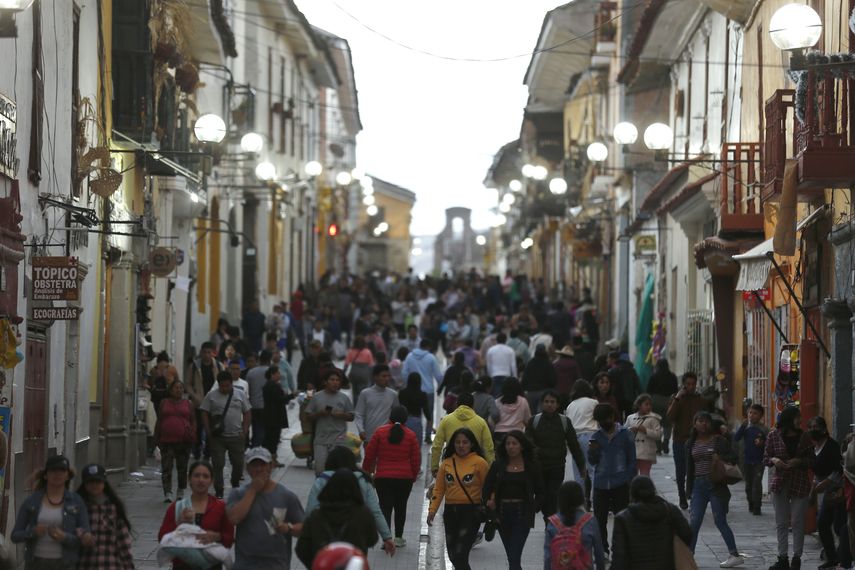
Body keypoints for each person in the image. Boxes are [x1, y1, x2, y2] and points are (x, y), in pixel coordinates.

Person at [305, 446, 395, 555]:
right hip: (357, 542)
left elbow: (310, 510)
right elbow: (375, 511)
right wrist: (387, 537)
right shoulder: (363, 480)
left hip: (326, 542)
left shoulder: (322, 480)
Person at [226, 447, 305, 569]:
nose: (259, 469)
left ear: (271, 466)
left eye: (262, 465)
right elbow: (234, 519)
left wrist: (288, 528)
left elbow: (304, 528)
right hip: (245, 564)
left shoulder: (286, 496)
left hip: (276, 564)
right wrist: (253, 490)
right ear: (247, 468)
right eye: (254, 465)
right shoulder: (238, 494)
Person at [11, 455, 90, 570]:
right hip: (35, 563)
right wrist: (33, 531)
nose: (58, 474)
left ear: (67, 475)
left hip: (65, 563)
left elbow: (85, 538)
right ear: (46, 475)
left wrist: (64, 537)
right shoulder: (32, 501)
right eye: (53, 470)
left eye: (62, 470)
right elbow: (15, 536)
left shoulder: (76, 501)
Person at [427, 428, 490, 570]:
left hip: (470, 514)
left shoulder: (480, 463)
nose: (461, 445)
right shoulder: (447, 463)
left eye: (465, 442)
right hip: (450, 513)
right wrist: (432, 510)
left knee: (461, 554)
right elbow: (439, 488)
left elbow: (489, 487)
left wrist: (491, 505)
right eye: (457, 442)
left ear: (472, 444)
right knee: (452, 555)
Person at [686, 411, 743, 568]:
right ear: (694, 423)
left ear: (710, 424)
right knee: (694, 521)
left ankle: (734, 554)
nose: (703, 424)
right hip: (698, 486)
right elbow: (689, 468)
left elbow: (734, 457)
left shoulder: (718, 441)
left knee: (720, 520)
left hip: (716, 486)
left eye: (706, 421)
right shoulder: (691, 443)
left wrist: (720, 458)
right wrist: (688, 490)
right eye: (700, 421)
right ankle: (689, 555)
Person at [482, 430, 543, 570]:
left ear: (522, 446)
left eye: (514, 443)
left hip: (522, 515)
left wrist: (534, 507)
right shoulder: (498, 465)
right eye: (508, 444)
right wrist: (489, 505)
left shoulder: (531, 466)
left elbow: (540, 491)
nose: (510, 447)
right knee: (511, 557)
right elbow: (486, 487)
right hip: (502, 515)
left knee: (514, 557)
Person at [158, 460, 234, 570]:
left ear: (211, 480)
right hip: (182, 565)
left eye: (205, 476)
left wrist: (217, 536)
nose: (201, 480)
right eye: (196, 476)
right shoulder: (177, 507)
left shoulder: (221, 508)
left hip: (211, 565)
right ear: (189, 479)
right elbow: (162, 538)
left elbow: (229, 538)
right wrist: (179, 526)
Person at [362, 406, 421, 548]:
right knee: (401, 507)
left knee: (385, 507)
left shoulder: (380, 432)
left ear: (390, 417)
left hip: (383, 477)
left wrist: (366, 473)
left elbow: (370, 455)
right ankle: (399, 538)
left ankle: (386, 539)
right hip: (404, 478)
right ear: (406, 419)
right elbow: (416, 460)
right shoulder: (411, 435)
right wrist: (413, 476)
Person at [296, 469, 379, 567]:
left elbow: (302, 548)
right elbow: (372, 539)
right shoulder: (363, 513)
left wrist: (317, 564)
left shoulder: (316, 516)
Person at [764, 406, 813, 570]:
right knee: (781, 522)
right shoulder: (773, 435)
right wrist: (774, 460)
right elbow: (766, 457)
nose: (800, 420)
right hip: (780, 481)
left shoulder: (804, 436)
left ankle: (797, 558)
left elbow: (811, 460)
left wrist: (799, 462)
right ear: (788, 419)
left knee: (798, 520)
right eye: (797, 417)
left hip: (800, 481)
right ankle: (782, 557)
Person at [610, 475, 692, 570]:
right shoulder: (670, 511)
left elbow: (619, 558)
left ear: (632, 494)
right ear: (653, 491)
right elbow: (687, 535)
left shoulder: (623, 518)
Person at [526, 390, 585, 520]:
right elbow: (527, 445)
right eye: (546, 402)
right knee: (542, 496)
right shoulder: (534, 421)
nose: (549, 405)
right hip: (539, 467)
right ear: (541, 404)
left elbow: (574, 445)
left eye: (552, 402)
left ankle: (549, 522)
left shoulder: (565, 422)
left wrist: (581, 466)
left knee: (553, 496)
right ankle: (548, 517)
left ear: (558, 404)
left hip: (557, 466)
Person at [587, 403, 636, 557]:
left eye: (606, 419)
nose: (604, 423)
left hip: (620, 483)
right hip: (601, 484)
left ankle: (619, 548)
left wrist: (628, 478)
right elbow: (592, 461)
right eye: (600, 421)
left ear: (612, 417)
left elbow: (632, 459)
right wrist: (593, 451)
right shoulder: (595, 437)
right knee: (599, 520)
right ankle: (603, 549)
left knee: (622, 519)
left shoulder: (625, 434)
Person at [200, 370, 252, 499]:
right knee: (218, 464)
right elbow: (204, 412)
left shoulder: (240, 395)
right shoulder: (211, 396)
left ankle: (235, 482)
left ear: (231, 384)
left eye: (227, 386)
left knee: (239, 463)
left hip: (236, 436)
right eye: (222, 386)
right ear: (218, 384)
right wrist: (207, 430)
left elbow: (247, 412)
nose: (224, 388)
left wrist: (244, 431)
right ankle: (219, 490)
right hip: (218, 437)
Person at [75, 464, 134, 570]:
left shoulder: (113, 508)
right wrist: (81, 535)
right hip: (85, 563)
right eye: (90, 482)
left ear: (104, 483)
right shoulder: (78, 507)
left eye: (98, 482)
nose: (94, 485)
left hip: (110, 564)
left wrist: (128, 565)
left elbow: (123, 540)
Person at [666, 372, 710, 509]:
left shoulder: (700, 400)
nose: (691, 387)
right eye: (688, 384)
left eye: (693, 384)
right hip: (680, 440)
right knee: (680, 472)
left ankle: (691, 494)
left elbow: (706, 418)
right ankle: (681, 496)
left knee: (694, 470)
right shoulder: (677, 398)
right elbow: (669, 417)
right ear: (683, 385)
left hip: (696, 440)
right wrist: (677, 399)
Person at [543, 480, 605, 570]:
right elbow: (599, 554)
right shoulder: (589, 521)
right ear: (581, 498)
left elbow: (548, 558)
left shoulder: (553, 523)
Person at [808, 416, 844, 569]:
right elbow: (816, 474)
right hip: (826, 493)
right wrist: (813, 492)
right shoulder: (814, 449)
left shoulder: (832, 446)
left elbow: (838, 471)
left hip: (839, 490)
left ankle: (845, 556)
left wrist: (823, 485)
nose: (812, 430)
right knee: (822, 524)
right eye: (811, 427)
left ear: (823, 429)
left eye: (816, 427)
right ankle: (832, 558)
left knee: (839, 525)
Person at [431, 392, 495, 475]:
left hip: (451, 465)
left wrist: (435, 467)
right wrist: (491, 469)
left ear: (456, 404)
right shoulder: (481, 422)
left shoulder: (446, 420)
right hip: (474, 466)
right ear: (473, 406)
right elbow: (488, 448)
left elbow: (437, 446)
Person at [304, 370, 355, 475]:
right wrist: (320, 414)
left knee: (337, 471)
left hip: (339, 439)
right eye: (332, 380)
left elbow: (352, 417)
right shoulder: (316, 397)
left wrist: (341, 415)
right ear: (325, 382)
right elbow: (307, 417)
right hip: (321, 439)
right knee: (320, 470)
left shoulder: (344, 398)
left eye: (337, 380)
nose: (335, 382)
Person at [155, 379, 196, 502]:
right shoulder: (164, 403)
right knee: (166, 466)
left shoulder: (188, 404)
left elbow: (193, 421)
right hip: (166, 441)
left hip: (183, 441)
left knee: (182, 467)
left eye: (181, 388)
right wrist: (156, 437)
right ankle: (167, 491)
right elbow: (159, 420)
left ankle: (181, 490)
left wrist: (193, 433)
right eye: (176, 388)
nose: (178, 390)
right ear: (171, 390)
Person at [186, 342, 225, 459]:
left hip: (214, 403)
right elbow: (188, 384)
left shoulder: (218, 366)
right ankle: (197, 451)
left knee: (212, 428)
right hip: (199, 403)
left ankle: (208, 453)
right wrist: (194, 396)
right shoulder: (194, 366)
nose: (207, 355)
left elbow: (223, 382)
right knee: (198, 428)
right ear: (201, 353)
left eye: (209, 352)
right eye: (204, 352)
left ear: (212, 353)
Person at [401, 339, 443, 443]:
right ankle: (428, 436)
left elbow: (404, 372)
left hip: (411, 390)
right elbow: (438, 375)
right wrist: (439, 387)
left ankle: (411, 433)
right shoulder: (431, 358)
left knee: (413, 413)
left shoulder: (409, 356)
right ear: (428, 347)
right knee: (429, 414)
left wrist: (407, 385)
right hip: (428, 390)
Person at [566, 380, 599, 509]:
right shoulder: (593, 402)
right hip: (591, 436)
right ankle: (595, 500)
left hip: (575, 438)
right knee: (593, 470)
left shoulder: (570, 405)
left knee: (579, 472)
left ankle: (580, 503)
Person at [733, 403, 768, 515]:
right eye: (750, 413)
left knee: (757, 483)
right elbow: (736, 438)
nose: (751, 415)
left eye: (755, 413)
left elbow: (768, 443)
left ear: (761, 416)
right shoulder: (745, 427)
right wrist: (742, 426)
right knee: (748, 484)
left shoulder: (763, 429)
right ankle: (751, 503)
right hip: (746, 460)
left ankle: (757, 506)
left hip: (759, 460)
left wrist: (762, 443)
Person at [355, 364, 399, 444]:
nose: (387, 379)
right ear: (375, 377)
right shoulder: (365, 393)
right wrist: (361, 430)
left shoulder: (393, 394)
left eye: (388, 376)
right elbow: (359, 414)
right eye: (384, 376)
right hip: (369, 437)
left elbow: (396, 416)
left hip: (387, 437)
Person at [624, 393, 662, 476]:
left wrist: (646, 430)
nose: (649, 407)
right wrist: (630, 430)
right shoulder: (630, 417)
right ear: (639, 405)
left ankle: (644, 488)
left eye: (650, 404)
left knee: (645, 474)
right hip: (633, 451)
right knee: (632, 474)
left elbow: (658, 434)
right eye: (646, 404)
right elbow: (624, 432)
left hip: (646, 451)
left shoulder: (654, 419)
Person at [646, 358, 678, 453]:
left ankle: (658, 444)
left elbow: (649, 390)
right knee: (667, 423)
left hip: (655, 400)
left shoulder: (654, 376)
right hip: (668, 401)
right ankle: (666, 441)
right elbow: (675, 390)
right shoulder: (672, 376)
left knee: (656, 423)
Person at [261, 365, 290, 465]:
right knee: (273, 439)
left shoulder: (268, 385)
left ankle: (269, 458)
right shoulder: (274, 386)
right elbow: (279, 399)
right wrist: (291, 396)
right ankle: (271, 459)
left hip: (269, 415)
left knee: (270, 438)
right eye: (278, 373)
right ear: (272, 374)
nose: (279, 375)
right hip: (274, 416)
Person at [493, 378, 531, 447]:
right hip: (517, 435)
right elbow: (528, 421)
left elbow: (493, 419)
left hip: (499, 434)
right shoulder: (523, 401)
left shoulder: (497, 402)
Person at [246, 350, 272, 448]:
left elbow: (247, 389)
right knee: (264, 431)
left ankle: (254, 449)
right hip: (266, 406)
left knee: (256, 429)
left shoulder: (251, 372)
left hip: (253, 406)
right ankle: (258, 451)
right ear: (269, 360)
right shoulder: (271, 372)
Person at [521, 344, 557, 414]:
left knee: (532, 415)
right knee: (542, 416)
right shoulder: (548, 363)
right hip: (544, 392)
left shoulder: (530, 363)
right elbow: (552, 380)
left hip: (531, 393)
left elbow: (524, 379)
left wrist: (524, 390)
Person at [606, 351, 641, 419]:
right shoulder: (632, 370)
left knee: (618, 419)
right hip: (630, 398)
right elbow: (637, 385)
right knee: (630, 419)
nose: (607, 360)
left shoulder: (612, 371)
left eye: (608, 358)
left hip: (617, 399)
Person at [398, 372, 430, 444]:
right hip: (417, 422)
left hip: (404, 422)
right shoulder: (422, 395)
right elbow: (427, 413)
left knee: (404, 446)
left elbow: (399, 408)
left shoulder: (402, 393)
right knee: (416, 447)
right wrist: (429, 430)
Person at [485, 332, 517, 398]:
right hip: (506, 375)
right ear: (506, 340)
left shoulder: (490, 350)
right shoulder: (510, 350)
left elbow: (489, 365)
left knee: (496, 397)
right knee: (506, 397)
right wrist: (515, 378)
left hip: (494, 375)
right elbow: (513, 365)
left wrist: (490, 376)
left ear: (497, 340)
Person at [552, 345, 581, 409]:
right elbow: (577, 379)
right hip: (569, 392)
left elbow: (552, 378)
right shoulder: (574, 364)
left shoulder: (555, 364)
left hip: (557, 391)